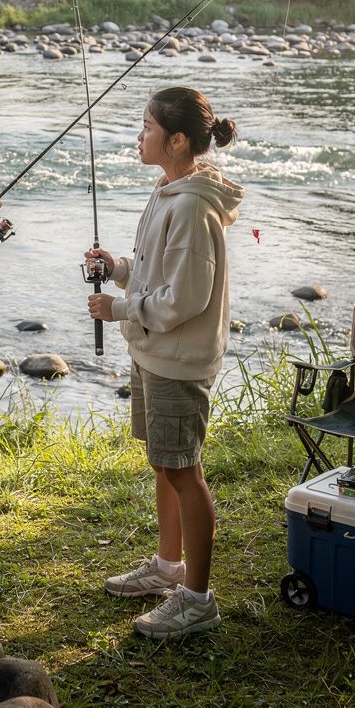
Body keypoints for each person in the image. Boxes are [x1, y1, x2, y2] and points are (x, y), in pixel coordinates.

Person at [86, 85, 243, 640]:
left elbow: (185, 298)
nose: (140, 135)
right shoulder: (168, 189)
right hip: (155, 351)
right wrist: (121, 267)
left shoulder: (196, 206)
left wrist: (119, 306)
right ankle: (168, 566)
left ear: (177, 140)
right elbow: (158, 270)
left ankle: (196, 599)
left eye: (148, 127)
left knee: (184, 470)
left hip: (179, 359)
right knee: (164, 463)